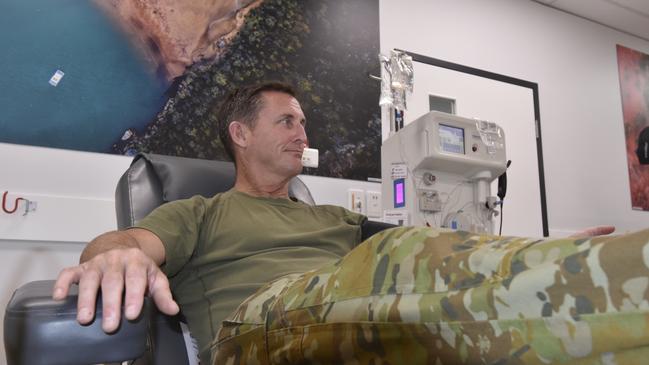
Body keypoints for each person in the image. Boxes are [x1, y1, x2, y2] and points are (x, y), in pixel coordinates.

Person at [54, 81, 647, 365]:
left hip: (354, 307)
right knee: (391, 261)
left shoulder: (332, 217)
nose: (302, 134)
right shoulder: (202, 212)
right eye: (287, 121)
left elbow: (438, 254)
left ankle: (592, 280)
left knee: (420, 254)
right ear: (240, 134)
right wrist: (113, 254)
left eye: (303, 122)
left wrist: (539, 255)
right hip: (255, 331)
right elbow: (128, 240)